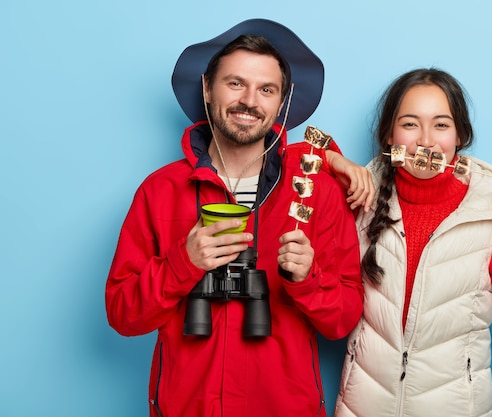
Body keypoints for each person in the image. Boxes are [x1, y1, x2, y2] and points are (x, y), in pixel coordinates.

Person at [105, 19, 366, 417]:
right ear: (208, 88)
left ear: (282, 102)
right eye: (235, 83)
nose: (249, 101)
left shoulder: (318, 193)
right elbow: (123, 314)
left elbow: (343, 321)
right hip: (187, 406)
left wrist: (306, 280)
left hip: (284, 406)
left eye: (266, 89)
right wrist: (183, 264)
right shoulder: (160, 191)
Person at [329, 68, 492, 417]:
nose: (426, 141)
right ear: (389, 136)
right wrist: (335, 159)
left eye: (441, 125)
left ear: (460, 136)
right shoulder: (359, 195)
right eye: (410, 124)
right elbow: (294, 157)